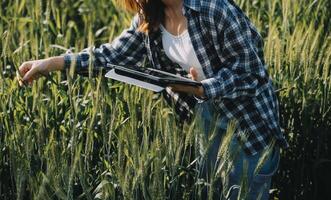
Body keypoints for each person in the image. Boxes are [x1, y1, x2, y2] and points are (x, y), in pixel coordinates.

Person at [18, 0, 288, 199]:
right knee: (214, 192)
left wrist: (202, 88)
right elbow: (109, 57)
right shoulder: (150, 17)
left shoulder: (214, 10)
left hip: (245, 126)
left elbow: (250, 74)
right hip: (203, 123)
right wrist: (50, 63)